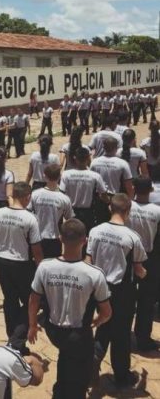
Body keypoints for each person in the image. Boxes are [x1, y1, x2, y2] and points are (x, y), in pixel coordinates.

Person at [28, 219, 111, 399]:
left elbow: (34, 300)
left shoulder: (45, 267)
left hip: (54, 330)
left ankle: (60, 391)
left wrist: (32, 325)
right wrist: (96, 322)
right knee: (79, 379)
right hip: (79, 334)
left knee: (66, 357)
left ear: (60, 239)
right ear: (85, 240)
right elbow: (106, 312)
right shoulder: (94, 274)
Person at [87, 194, 147, 388]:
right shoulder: (132, 237)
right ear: (128, 211)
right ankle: (122, 376)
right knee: (121, 334)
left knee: (104, 323)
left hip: (99, 287)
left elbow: (88, 262)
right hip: (122, 291)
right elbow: (138, 270)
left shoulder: (95, 231)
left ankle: (95, 356)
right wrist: (147, 275)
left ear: (110, 209)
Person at [0, 182, 43, 353]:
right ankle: (16, 341)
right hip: (22, 264)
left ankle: (12, 336)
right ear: (27, 198)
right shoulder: (30, 219)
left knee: (10, 301)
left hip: (2, 262)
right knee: (31, 303)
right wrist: (41, 271)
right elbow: (36, 249)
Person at [127, 177, 160, 351]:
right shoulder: (157, 211)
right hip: (149, 258)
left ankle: (123, 333)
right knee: (146, 300)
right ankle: (142, 337)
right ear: (150, 191)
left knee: (126, 297)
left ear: (133, 188)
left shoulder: (126, 207)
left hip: (128, 256)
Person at [28, 164, 74, 258]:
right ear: (59, 177)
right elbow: (70, 220)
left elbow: (27, 213)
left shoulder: (35, 194)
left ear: (45, 176)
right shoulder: (64, 199)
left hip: (36, 237)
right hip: (54, 239)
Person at [60, 147, 108, 235]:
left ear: (75, 158)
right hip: (89, 213)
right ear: (88, 158)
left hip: (71, 212)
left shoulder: (66, 174)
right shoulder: (95, 176)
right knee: (87, 237)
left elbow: (61, 194)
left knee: (72, 237)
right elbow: (103, 195)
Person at [90, 136, 133, 223]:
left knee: (100, 222)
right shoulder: (122, 163)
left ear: (103, 148)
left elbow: (92, 183)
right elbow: (128, 185)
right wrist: (131, 200)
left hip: (100, 199)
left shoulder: (94, 162)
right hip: (116, 199)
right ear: (116, 148)